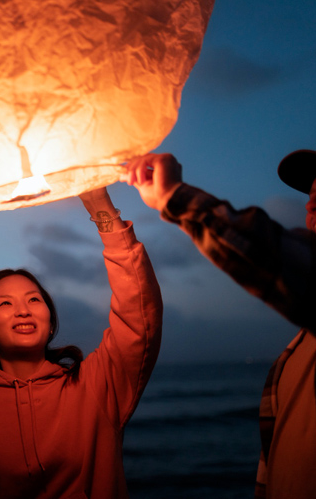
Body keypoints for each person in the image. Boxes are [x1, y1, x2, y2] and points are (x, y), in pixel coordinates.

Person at [0, 188, 163, 499]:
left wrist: (99, 204)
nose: (23, 309)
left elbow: (139, 314)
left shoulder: (94, 386)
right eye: (5, 304)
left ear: (50, 322)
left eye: (33, 299)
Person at [125, 150, 315, 499]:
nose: (311, 201)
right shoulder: (299, 351)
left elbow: (280, 258)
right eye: (311, 189)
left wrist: (174, 197)